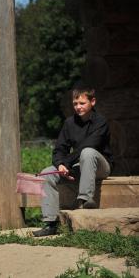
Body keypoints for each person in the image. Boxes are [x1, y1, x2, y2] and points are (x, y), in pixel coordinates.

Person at [32, 84, 113, 237]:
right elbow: (59, 149)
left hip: (101, 167)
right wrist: (61, 165)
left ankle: (85, 201)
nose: (78, 107)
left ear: (92, 102)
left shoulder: (100, 122)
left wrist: (67, 163)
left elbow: (88, 146)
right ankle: (51, 223)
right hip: (78, 165)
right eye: (75, 103)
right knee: (47, 173)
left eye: (82, 103)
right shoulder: (69, 123)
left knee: (88, 152)